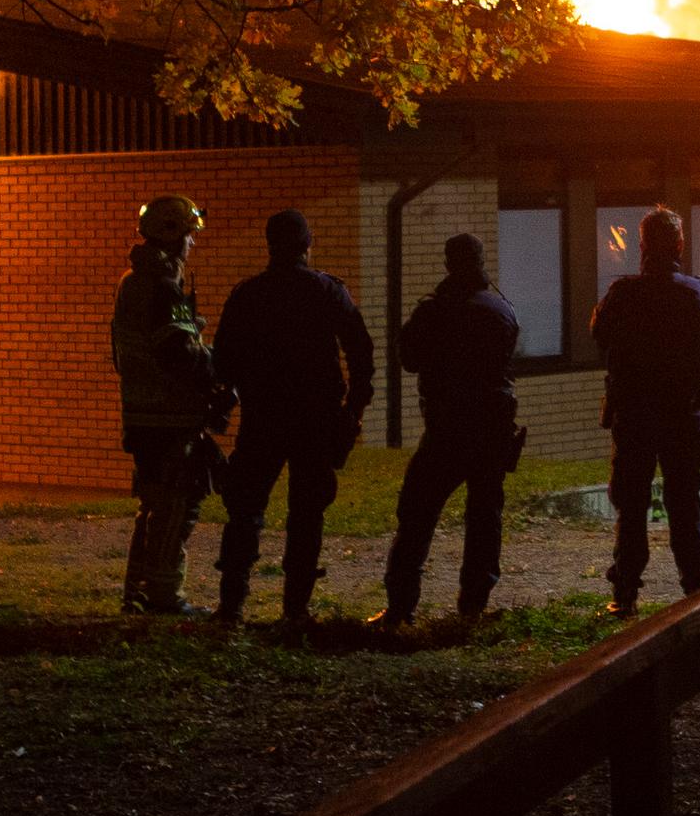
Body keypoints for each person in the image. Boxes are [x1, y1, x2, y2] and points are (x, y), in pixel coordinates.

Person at [209, 207, 375, 625]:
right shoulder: (327, 291)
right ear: (308, 243)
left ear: (270, 244)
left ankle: (231, 606)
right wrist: (352, 408)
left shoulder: (248, 294)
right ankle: (295, 609)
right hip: (314, 420)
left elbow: (223, 361)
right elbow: (360, 350)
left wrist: (227, 399)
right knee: (307, 513)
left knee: (245, 510)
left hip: (263, 417)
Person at [382, 231, 525, 629]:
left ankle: (401, 607)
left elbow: (408, 357)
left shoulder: (434, 311)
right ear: (481, 263)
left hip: (446, 428)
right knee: (484, 516)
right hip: (492, 429)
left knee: (417, 513)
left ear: (448, 264)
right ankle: (473, 606)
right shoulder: (501, 309)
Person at [590, 205, 700, 613]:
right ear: (679, 245)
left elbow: (599, 335)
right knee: (684, 501)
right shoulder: (699, 293)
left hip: (636, 414)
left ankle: (625, 590)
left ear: (641, 245)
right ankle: (696, 586)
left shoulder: (622, 294)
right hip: (681, 415)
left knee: (631, 503)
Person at [109, 194, 224, 615]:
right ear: (173, 236)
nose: (193, 244)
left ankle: (137, 591)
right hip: (168, 417)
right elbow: (179, 351)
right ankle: (163, 596)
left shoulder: (134, 280)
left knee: (154, 505)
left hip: (143, 414)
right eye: (190, 235)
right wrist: (219, 364)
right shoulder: (161, 285)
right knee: (177, 505)